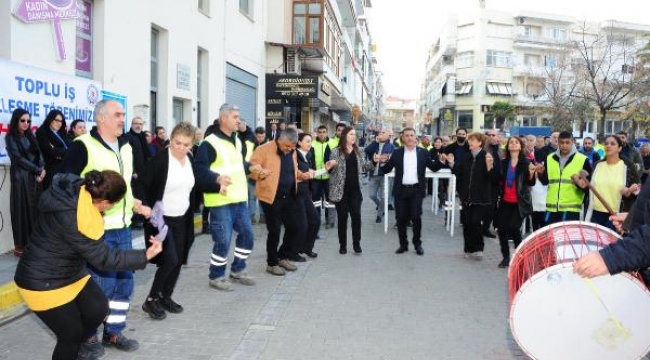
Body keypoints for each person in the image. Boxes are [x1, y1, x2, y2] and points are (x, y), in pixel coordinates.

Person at [14, 171, 162, 360]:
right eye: (113, 204)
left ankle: (78, 348)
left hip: (70, 271)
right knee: (70, 335)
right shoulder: (76, 217)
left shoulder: (82, 191)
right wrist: (145, 255)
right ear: (103, 202)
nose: (111, 208)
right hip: (41, 281)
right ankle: (74, 346)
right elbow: (104, 259)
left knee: (98, 308)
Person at [59, 99, 149, 355]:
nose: (123, 119)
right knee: (100, 287)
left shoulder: (127, 147)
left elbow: (124, 188)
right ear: (101, 118)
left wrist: (135, 205)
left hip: (123, 227)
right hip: (96, 230)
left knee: (125, 284)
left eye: (124, 114)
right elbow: (63, 184)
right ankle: (88, 336)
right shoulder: (82, 146)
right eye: (117, 114)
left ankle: (114, 332)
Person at [133, 122, 196, 321]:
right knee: (170, 259)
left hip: (182, 218)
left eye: (186, 145)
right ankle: (151, 299)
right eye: (178, 143)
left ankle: (165, 296)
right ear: (171, 138)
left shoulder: (190, 160)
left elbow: (194, 185)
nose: (181, 148)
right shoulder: (161, 159)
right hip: (161, 219)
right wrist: (145, 207)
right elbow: (141, 184)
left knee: (178, 260)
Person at [194, 104, 255, 292]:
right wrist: (216, 178)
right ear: (223, 118)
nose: (239, 120)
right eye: (235, 116)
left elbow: (237, 165)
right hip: (220, 200)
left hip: (238, 198)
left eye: (239, 116)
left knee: (248, 235)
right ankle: (216, 275)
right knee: (223, 240)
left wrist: (251, 167)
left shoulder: (236, 140)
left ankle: (238, 269)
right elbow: (199, 169)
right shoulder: (209, 143)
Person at [249, 129, 315, 275]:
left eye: (292, 147)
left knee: (295, 226)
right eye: (287, 147)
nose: (289, 150)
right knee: (275, 230)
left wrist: (303, 175)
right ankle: (271, 263)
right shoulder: (263, 149)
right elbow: (251, 168)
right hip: (270, 197)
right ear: (280, 139)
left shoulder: (292, 152)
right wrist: (259, 172)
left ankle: (283, 255)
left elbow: (294, 171)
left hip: (289, 195)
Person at [380, 128, 443, 255]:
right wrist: (382, 161)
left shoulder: (423, 153)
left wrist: (441, 161)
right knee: (401, 218)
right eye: (406, 135)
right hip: (401, 191)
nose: (409, 138)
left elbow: (434, 168)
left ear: (416, 138)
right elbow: (386, 170)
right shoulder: (397, 153)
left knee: (416, 217)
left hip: (416, 190)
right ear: (402, 138)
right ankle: (403, 245)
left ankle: (417, 243)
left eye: (411, 135)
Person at [446, 132, 498, 260]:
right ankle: (468, 249)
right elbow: (458, 172)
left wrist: (490, 167)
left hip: (481, 197)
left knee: (475, 222)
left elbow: (494, 178)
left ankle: (478, 248)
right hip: (466, 197)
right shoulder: (466, 157)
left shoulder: (488, 156)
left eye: (473, 140)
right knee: (467, 222)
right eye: (470, 140)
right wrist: (452, 162)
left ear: (480, 143)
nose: (470, 142)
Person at [5, 108, 45, 257]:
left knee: (36, 211)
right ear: (16, 120)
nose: (26, 123)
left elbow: (39, 154)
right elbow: (18, 159)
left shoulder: (31, 136)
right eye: (23, 120)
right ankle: (21, 245)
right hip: (21, 179)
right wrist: (37, 170)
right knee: (22, 211)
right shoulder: (10, 138)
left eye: (28, 121)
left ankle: (35, 243)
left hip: (35, 179)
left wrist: (42, 170)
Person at [328, 126, 373, 254]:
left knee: (357, 217)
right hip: (340, 191)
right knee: (342, 218)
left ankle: (356, 244)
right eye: (351, 134)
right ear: (344, 136)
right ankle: (342, 245)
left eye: (354, 134)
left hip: (355, 191)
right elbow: (330, 169)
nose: (353, 136)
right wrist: (329, 167)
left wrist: (374, 163)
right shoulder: (335, 151)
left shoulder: (359, 152)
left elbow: (365, 166)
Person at [583, 135, 640, 230]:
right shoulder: (597, 165)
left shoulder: (628, 166)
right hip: (595, 213)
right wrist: (580, 183)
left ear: (619, 148)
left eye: (612, 144)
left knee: (612, 244)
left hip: (616, 215)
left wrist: (631, 191)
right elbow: (589, 188)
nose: (608, 146)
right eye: (606, 144)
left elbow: (637, 189)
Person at [495, 137, 536, 268]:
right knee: (501, 229)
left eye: (516, 142)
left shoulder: (526, 162)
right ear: (508, 146)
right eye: (511, 142)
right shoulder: (503, 163)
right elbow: (496, 180)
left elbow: (531, 183)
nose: (513, 144)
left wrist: (531, 174)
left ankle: (520, 256)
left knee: (513, 228)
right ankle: (506, 257)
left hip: (520, 202)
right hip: (505, 201)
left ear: (520, 146)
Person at [536, 131, 591, 225]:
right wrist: (540, 174)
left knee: (567, 239)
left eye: (567, 142)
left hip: (571, 210)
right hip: (551, 208)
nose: (564, 145)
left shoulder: (582, 159)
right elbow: (545, 182)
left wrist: (578, 183)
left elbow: (588, 187)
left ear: (572, 142)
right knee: (550, 239)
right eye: (562, 142)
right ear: (558, 142)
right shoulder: (549, 158)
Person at [296, 133, 328, 258]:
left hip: (305, 194)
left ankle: (307, 248)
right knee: (302, 225)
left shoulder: (307, 155)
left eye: (311, 141)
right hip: (296, 194)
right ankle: (295, 250)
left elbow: (311, 173)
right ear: (299, 142)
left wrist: (326, 168)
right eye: (307, 141)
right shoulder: (295, 156)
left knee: (315, 221)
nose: (310, 144)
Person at [364, 129, 395, 223]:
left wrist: (386, 159)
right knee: (371, 195)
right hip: (374, 174)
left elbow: (393, 158)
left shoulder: (391, 146)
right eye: (379, 132)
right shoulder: (374, 144)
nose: (380, 134)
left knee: (384, 197)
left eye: (383, 133)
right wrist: (375, 141)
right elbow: (367, 150)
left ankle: (380, 215)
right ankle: (381, 206)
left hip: (385, 175)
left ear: (388, 136)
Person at [127, 117, 153, 229]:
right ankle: (136, 220)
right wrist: (133, 171)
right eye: (136, 123)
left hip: (144, 172)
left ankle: (142, 217)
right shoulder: (128, 137)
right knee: (136, 196)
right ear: (132, 124)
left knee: (143, 195)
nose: (138, 126)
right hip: (135, 173)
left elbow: (147, 155)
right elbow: (127, 156)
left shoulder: (142, 137)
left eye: (140, 124)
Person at [36, 109, 69, 189]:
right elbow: (51, 152)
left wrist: (59, 151)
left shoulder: (60, 133)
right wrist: (64, 152)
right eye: (57, 120)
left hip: (63, 169)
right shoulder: (42, 132)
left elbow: (68, 150)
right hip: (51, 170)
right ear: (50, 119)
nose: (59, 123)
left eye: (61, 121)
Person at [311, 125, 334, 229]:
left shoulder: (332, 143)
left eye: (323, 132)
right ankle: (316, 220)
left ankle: (330, 221)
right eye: (319, 132)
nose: (321, 134)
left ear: (327, 132)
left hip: (329, 176)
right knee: (316, 200)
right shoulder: (312, 144)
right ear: (316, 133)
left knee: (329, 200)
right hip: (316, 177)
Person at [483, 129, 503, 239]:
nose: (491, 137)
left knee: (492, 207)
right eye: (489, 135)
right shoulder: (484, 150)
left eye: (493, 135)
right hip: (485, 182)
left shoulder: (501, 151)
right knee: (485, 206)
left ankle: (486, 227)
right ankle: (483, 227)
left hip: (497, 183)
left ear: (498, 137)